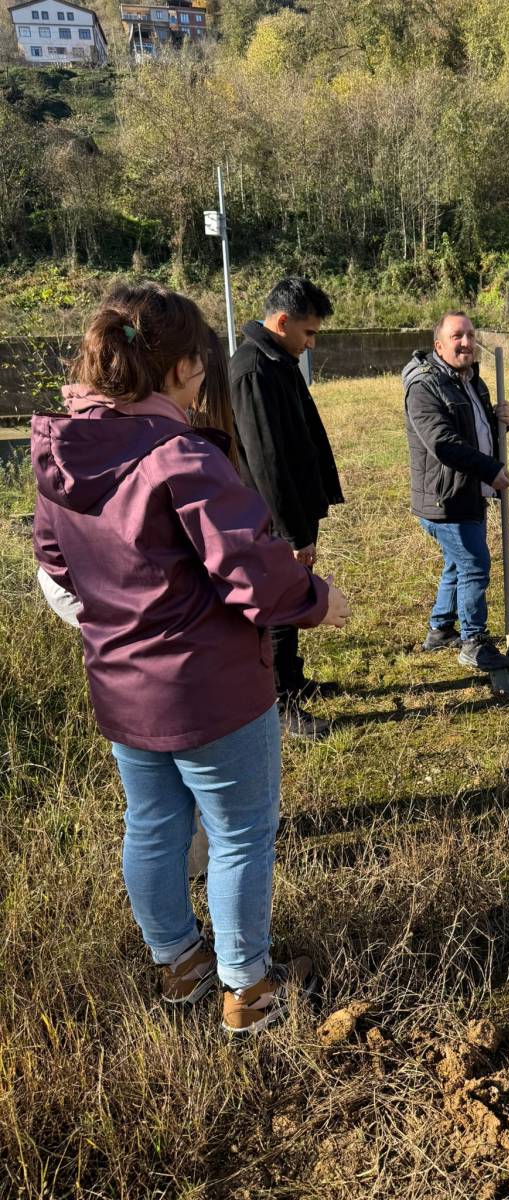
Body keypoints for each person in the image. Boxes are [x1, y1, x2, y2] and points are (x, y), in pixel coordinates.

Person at [31, 282, 350, 1036]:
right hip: (213, 694)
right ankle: (249, 989)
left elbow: (57, 566)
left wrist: (121, 622)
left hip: (122, 690)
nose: (206, 377)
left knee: (151, 823)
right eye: (200, 364)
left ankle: (177, 961)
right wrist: (316, 598)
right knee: (240, 834)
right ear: (179, 369)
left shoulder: (60, 456)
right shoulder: (180, 456)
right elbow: (252, 572)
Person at [229, 277, 344, 741]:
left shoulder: (278, 360)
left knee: (292, 593)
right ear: (281, 322)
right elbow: (266, 462)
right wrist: (293, 533)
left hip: (290, 512)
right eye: (308, 332)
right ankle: (279, 703)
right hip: (272, 518)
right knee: (278, 603)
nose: (311, 343)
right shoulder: (254, 370)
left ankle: (293, 679)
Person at [402, 311, 509, 671]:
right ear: (439, 346)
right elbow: (444, 444)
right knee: (474, 564)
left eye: (470, 335)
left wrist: (503, 422)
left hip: (470, 491)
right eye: (457, 336)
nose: (466, 342)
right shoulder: (424, 387)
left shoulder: (472, 380)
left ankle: (440, 630)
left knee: (457, 561)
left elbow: (477, 432)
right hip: (445, 498)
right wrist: (490, 470)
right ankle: (473, 643)